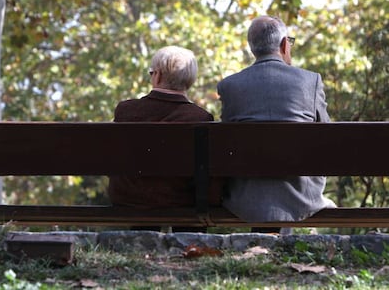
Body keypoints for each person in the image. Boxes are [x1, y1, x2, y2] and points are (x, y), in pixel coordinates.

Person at [217, 16, 336, 231]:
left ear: (252, 48)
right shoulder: (310, 81)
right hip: (300, 197)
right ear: (283, 45)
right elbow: (326, 137)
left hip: (245, 198)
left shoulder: (229, 86)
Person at [108, 45, 221, 231]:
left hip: (131, 200)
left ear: (158, 76)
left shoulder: (126, 111)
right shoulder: (200, 118)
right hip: (182, 201)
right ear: (190, 80)